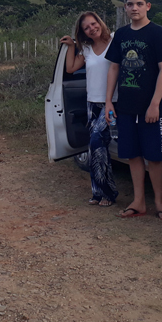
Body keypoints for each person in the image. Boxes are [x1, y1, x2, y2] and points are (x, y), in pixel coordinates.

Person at [104, 0, 162, 221]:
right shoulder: (121, 35)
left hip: (151, 107)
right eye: (130, 4)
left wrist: (155, 104)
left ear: (147, 6)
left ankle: (160, 203)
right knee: (132, 155)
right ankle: (138, 202)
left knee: (154, 157)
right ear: (125, 8)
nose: (134, 8)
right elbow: (114, 67)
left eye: (138, 4)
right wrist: (108, 102)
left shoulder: (157, 33)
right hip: (125, 106)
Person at [59, 12, 119, 207]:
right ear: (83, 32)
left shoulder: (114, 40)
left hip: (112, 102)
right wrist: (71, 46)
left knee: (97, 141)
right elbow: (70, 68)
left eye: (94, 24)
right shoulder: (86, 49)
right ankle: (98, 192)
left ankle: (108, 192)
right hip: (92, 103)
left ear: (100, 23)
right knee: (95, 148)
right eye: (87, 27)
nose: (92, 28)